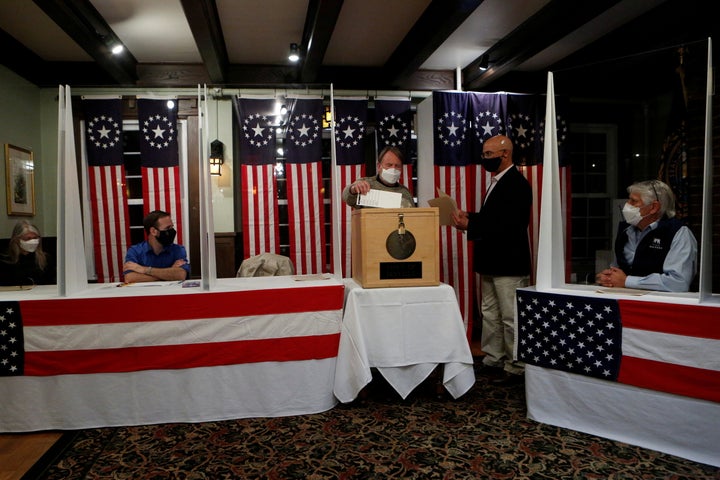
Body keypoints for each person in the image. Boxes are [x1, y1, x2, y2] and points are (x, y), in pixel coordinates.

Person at [451, 134, 532, 386]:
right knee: (490, 313)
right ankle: (494, 358)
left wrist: (471, 225)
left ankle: (516, 365)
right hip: (491, 260)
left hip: (508, 261)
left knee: (510, 316)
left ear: (505, 154)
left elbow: (509, 225)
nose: (484, 159)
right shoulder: (497, 182)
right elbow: (493, 217)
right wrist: (471, 217)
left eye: (488, 154)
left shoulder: (517, 184)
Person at [596, 179, 697, 292]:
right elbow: (617, 269)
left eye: (633, 201)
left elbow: (678, 283)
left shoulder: (678, 233)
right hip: (626, 300)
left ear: (654, 207)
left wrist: (627, 281)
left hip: (661, 304)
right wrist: (608, 277)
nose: (627, 205)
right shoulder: (625, 230)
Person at [123, 210, 190, 283]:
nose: (172, 231)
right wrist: (169, 275)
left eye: (172, 227)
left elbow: (181, 275)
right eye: (167, 228)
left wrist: (144, 270)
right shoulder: (135, 251)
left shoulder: (178, 249)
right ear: (153, 231)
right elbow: (130, 278)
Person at [342, 146, 415, 208]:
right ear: (379, 166)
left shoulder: (405, 192)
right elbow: (347, 197)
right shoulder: (366, 185)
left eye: (397, 166)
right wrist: (353, 189)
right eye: (389, 165)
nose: (393, 169)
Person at [0, 220, 56, 286]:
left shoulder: (46, 259)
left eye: (35, 238)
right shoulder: (6, 260)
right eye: (28, 238)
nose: (33, 241)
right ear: (17, 240)